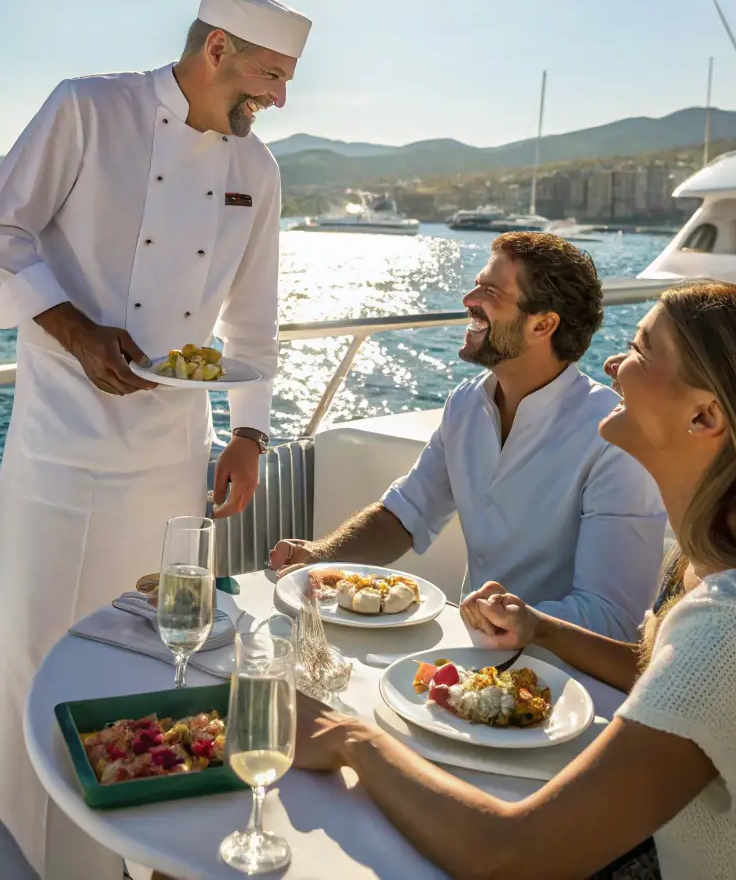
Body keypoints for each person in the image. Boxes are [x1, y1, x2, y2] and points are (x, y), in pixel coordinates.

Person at [294, 283, 736, 880]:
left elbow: (514, 857)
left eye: (639, 350)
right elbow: (664, 673)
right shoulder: (723, 563)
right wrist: (544, 630)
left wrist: (346, 738)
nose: (612, 361)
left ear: (705, 415)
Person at [0, 0, 310, 875]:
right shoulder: (88, 107)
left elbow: (253, 324)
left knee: (149, 658)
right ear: (217, 47)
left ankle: (107, 854)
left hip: (169, 452)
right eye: (269, 74)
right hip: (62, 443)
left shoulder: (258, 170)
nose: (277, 98)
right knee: (29, 654)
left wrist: (249, 436)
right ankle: (3, 851)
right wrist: (74, 330)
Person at [272, 232, 666, 639]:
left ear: (543, 324)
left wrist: (517, 625)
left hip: (564, 675)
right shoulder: (465, 403)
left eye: (490, 291)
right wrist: (320, 558)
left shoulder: (612, 436)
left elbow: (612, 617)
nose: (468, 299)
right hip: (474, 650)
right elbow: (405, 515)